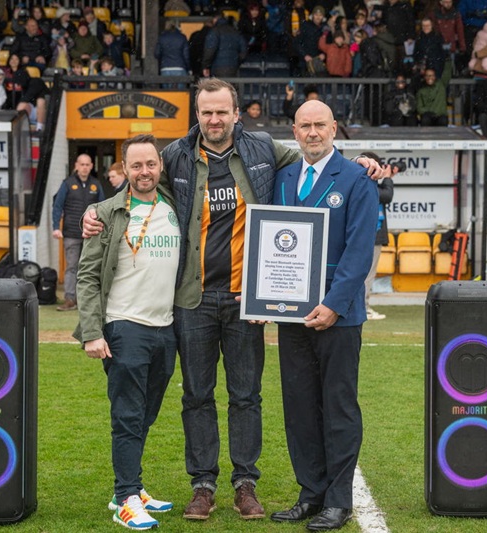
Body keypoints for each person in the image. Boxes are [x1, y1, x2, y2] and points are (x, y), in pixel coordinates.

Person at [80, 79, 385, 521]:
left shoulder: (263, 150)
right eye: (206, 112)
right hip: (194, 298)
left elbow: (316, 157)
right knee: (197, 396)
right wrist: (98, 211)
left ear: (237, 113)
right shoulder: (176, 156)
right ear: (197, 115)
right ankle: (202, 485)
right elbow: (138, 179)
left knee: (247, 396)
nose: (214, 119)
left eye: (222, 111)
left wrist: (364, 162)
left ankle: (246, 484)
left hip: (249, 299)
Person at [270, 100, 378, 532]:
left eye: (320, 125)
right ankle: (310, 493)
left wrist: (333, 304)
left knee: (337, 408)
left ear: (334, 129)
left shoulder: (357, 178)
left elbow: (359, 251)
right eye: (304, 126)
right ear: (294, 132)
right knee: (299, 409)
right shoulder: (283, 178)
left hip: (339, 317)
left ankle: (338, 500)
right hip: (291, 317)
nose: (312, 133)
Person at [74, 134, 178, 531]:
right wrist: (91, 332)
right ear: (124, 169)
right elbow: (86, 275)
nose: (144, 171)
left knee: (146, 414)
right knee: (128, 414)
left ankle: (133, 484)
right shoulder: (104, 212)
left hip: (166, 328)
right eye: (136, 165)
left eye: (151, 164)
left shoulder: (174, 206)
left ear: (160, 166)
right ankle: (125, 498)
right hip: (124, 327)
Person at [52, 153, 105, 311]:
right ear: (76, 166)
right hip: (71, 233)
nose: (85, 167)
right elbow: (57, 206)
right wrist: (56, 227)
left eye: (87, 164)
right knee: (72, 267)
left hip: (91, 234)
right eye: (82, 164)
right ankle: (69, 299)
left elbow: (103, 207)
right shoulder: (67, 184)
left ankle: (87, 301)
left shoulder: (96, 185)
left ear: (91, 166)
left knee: (90, 267)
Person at [359, 151, 394, 321]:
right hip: (369, 237)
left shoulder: (362, 183)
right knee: (366, 275)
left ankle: (362, 307)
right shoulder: (366, 184)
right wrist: (387, 179)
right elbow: (386, 196)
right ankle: (363, 308)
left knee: (365, 274)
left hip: (368, 236)